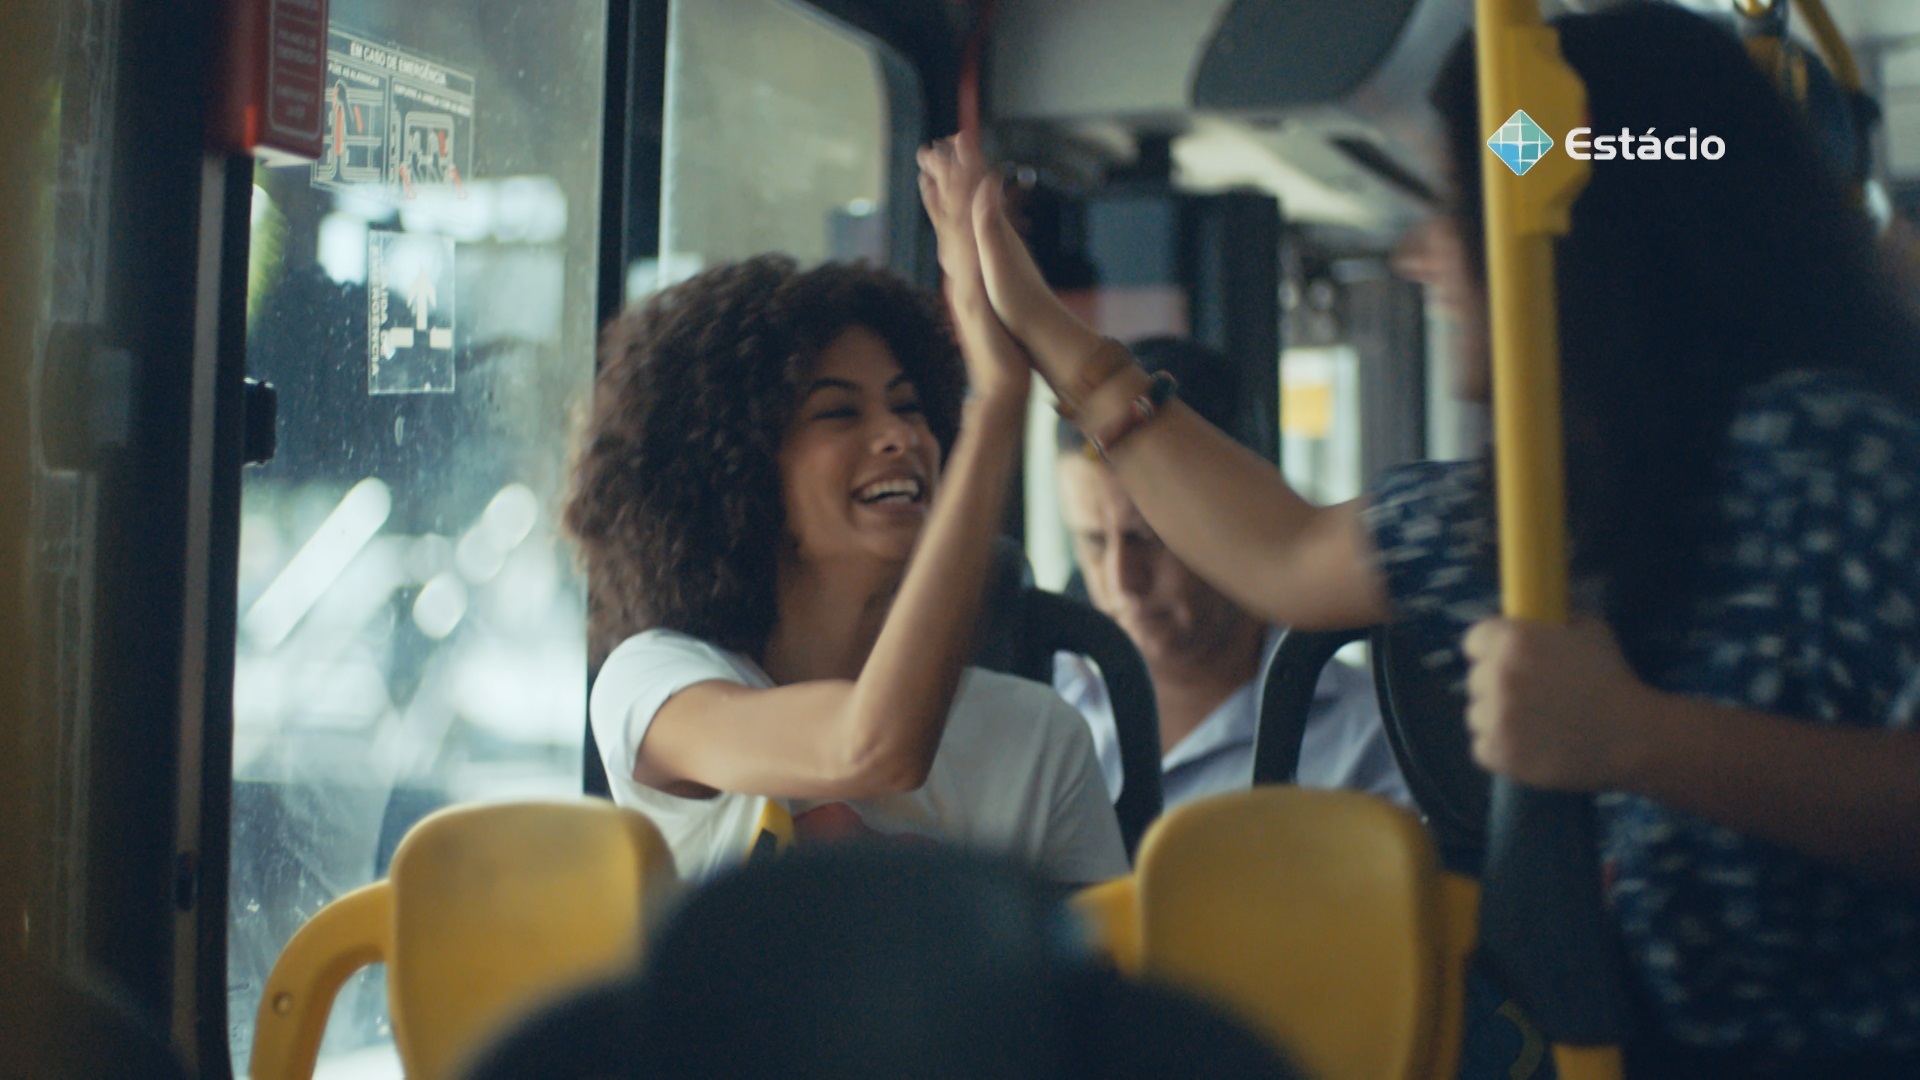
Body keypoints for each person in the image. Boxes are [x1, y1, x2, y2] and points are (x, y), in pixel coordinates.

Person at [925, 4, 1920, 1073]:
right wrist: (1037, 331)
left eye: (1460, 208)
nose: (1423, 254)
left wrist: (1636, 735)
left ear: (1581, 237)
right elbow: (1285, 556)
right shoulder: (1550, 504)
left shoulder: (1835, 448)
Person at [564, 141, 1126, 887]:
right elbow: (871, 748)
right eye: (838, 414)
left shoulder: (1040, 736)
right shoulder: (658, 683)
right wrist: (997, 406)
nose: (901, 436)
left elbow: (1099, 980)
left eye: (908, 406)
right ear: (738, 470)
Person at [1050, 336, 1409, 811]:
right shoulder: (1041, 704)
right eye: (1094, 541)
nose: (1121, 580)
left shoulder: (1372, 742)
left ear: (1236, 519)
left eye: (1150, 538)